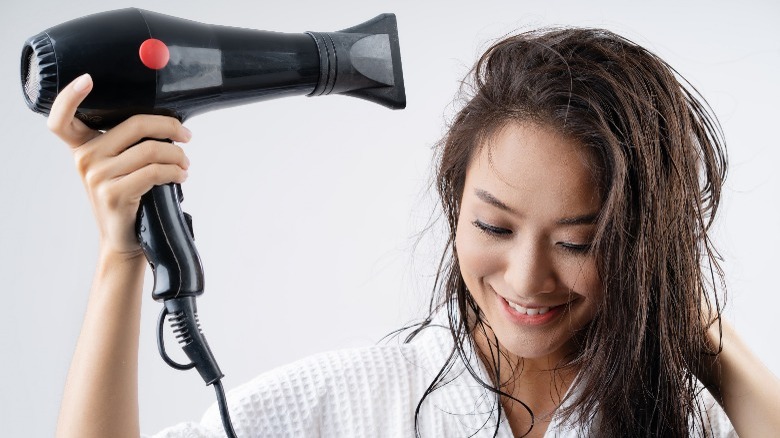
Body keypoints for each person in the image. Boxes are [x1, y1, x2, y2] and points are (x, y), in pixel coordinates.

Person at [47, 27, 779, 438]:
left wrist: (695, 329)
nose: (526, 279)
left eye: (577, 242)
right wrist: (122, 259)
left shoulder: (690, 424)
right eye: (494, 225)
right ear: (454, 201)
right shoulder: (344, 404)